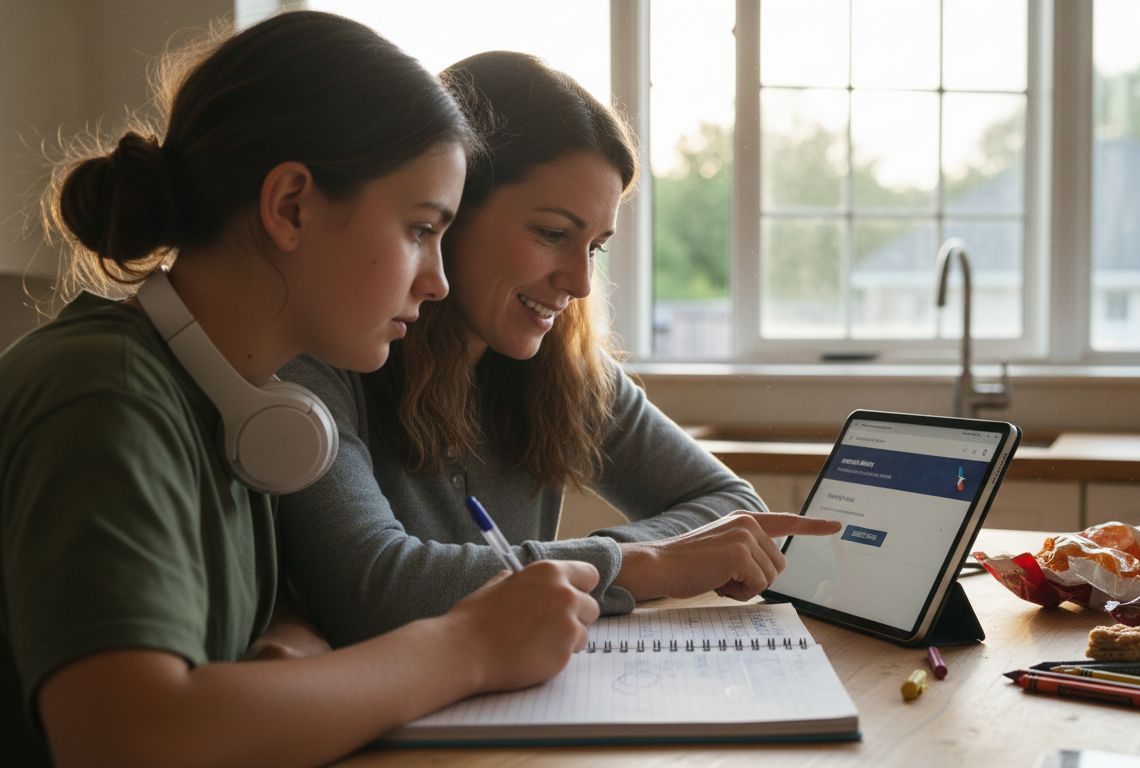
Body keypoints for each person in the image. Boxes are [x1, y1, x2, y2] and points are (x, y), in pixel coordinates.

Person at [0, 15, 601, 768]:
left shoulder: (237, 400)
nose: (438, 280)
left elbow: (229, 618)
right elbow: (127, 737)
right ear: (290, 206)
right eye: (420, 228)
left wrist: (291, 634)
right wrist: (468, 645)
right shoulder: (103, 396)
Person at [278, 51, 840, 647]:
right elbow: (375, 587)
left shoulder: (559, 369)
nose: (579, 284)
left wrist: (617, 561)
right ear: (448, 208)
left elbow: (730, 505)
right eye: (552, 234)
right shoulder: (327, 357)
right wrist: (641, 565)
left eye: (594, 246)